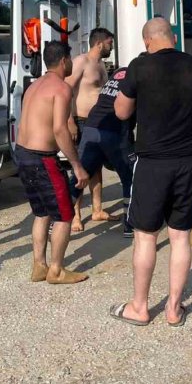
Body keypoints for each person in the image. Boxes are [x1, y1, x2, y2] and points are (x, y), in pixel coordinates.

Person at [110, 18, 192, 327]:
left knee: (146, 236)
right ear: (173, 38)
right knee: (180, 237)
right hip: (186, 163)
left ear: (147, 41)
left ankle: (139, 307)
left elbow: (121, 111)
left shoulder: (139, 67)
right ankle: (174, 309)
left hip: (151, 164)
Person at [15, 40, 90, 284]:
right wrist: (77, 166)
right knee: (65, 214)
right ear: (64, 61)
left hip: (23, 153)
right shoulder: (61, 88)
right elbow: (60, 129)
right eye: (71, 59)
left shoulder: (34, 85)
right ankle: (56, 270)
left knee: (41, 212)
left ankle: (39, 265)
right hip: (41, 158)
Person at [71, 63, 137, 238]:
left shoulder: (120, 72)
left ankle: (58, 219)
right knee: (130, 177)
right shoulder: (139, 77)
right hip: (114, 131)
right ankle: (129, 226)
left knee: (80, 175)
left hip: (92, 126)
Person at [65, 28, 117, 232]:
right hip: (81, 121)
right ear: (99, 43)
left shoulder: (101, 65)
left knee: (96, 166)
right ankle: (75, 215)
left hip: (98, 122)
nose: (111, 46)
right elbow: (66, 89)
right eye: (109, 42)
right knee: (81, 167)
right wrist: (68, 119)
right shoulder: (81, 62)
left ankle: (97, 210)